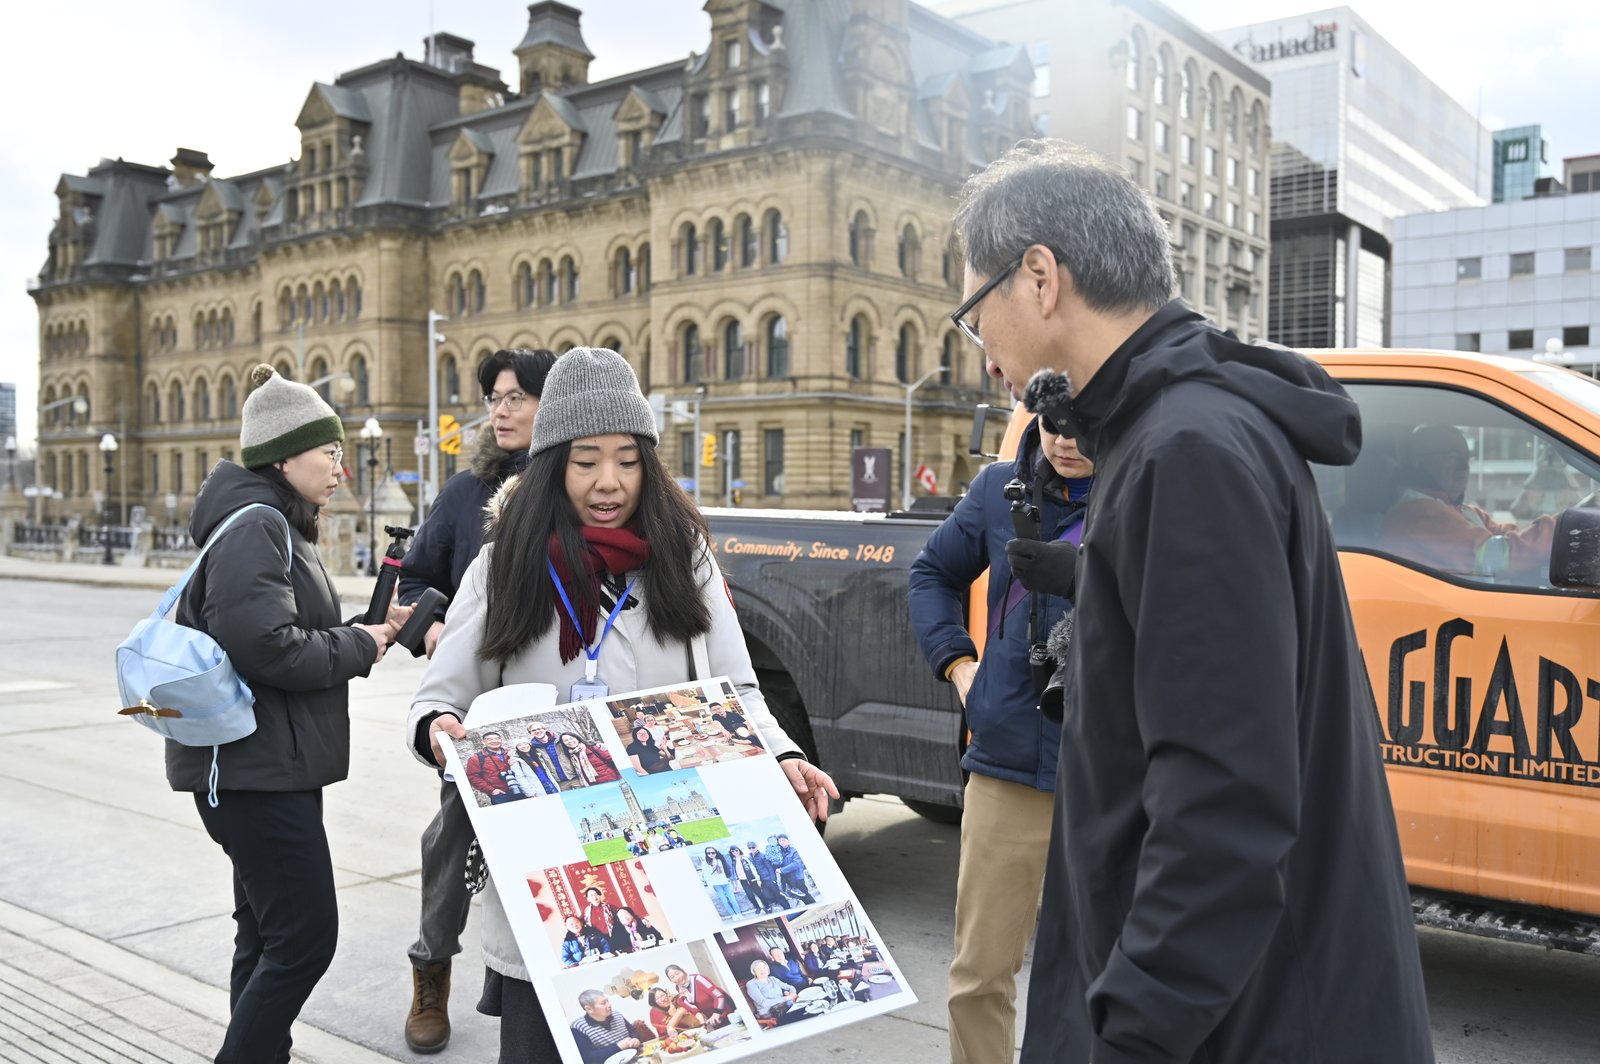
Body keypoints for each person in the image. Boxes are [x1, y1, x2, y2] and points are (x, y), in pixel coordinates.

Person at [949, 140, 1432, 1063]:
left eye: (976, 317)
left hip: (1239, 1025)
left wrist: (1131, 1032)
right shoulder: (1180, 431)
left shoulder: (1188, 452)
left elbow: (1224, 802)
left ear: (1040, 278)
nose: (985, 360)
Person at [406, 348, 838, 1063]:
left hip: (672, 866)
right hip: (549, 876)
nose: (609, 482)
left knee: (660, 1032)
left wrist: (784, 754)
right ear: (553, 466)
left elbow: (736, 692)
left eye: (627, 460)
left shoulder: (685, 559)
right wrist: (442, 730)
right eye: (585, 461)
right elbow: (440, 695)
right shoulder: (504, 563)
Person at [170, 363, 408, 1064]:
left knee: (267, 936)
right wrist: (356, 644)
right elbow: (266, 648)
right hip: (254, 772)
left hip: (261, 767)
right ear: (283, 457)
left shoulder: (269, 523)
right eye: (328, 454)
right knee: (306, 938)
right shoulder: (258, 526)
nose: (341, 470)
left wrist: (368, 634)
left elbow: (285, 636)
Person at [908, 410, 1092, 1064]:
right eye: (1054, 422)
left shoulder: (1152, 491)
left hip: (1114, 773)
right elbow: (931, 573)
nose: (1067, 439)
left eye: (1086, 421)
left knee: (1106, 981)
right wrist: (960, 667)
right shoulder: (995, 489)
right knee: (979, 976)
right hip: (1007, 761)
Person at [399, 347, 557, 1053]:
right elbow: (408, 580)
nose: (501, 410)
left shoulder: (574, 490)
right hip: (477, 716)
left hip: (559, 718)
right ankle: (431, 972)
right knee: (453, 840)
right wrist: (436, 630)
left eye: (517, 396)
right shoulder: (466, 495)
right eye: (495, 397)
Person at [1380, 423, 1557, 580]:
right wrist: (1560, 529)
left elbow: (1507, 538)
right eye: (1451, 457)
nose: (1463, 466)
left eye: (1466, 458)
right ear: (1418, 461)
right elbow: (1498, 558)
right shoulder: (1418, 515)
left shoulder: (1463, 511)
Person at [569, 990, 640, 1064]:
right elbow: (588, 1057)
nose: (609, 1005)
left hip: (634, 1057)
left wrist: (635, 1039)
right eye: (603, 1003)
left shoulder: (616, 1014)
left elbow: (633, 1031)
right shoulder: (578, 1027)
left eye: (607, 1001)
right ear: (589, 1009)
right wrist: (618, 1046)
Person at [665, 963, 736, 1029]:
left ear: (683, 971)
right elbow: (692, 1005)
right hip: (712, 1018)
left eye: (677, 973)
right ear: (671, 980)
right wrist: (702, 1022)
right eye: (672, 977)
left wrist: (716, 1013)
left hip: (726, 1011)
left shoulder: (699, 979)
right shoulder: (679, 988)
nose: (677, 978)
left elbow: (719, 996)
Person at [464, 732, 517, 806]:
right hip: (500, 794)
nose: (494, 741)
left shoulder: (511, 752)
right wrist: (491, 790)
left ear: (501, 740)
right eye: (490, 739)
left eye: (497, 738)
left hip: (519, 788)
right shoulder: (476, 758)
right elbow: (473, 777)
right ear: (484, 742)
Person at [555, 731, 620, 785]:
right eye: (566, 740)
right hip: (593, 785)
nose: (569, 741)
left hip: (611, 780)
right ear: (563, 744)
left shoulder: (594, 747)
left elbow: (615, 762)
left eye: (571, 738)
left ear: (577, 738)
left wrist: (620, 778)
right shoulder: (571, 756)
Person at [728, 845, 776, 914]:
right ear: (731, 852)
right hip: (743, 881)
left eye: (736, 850)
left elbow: (753, 868)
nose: (735, 852)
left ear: (739, 850)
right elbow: (734, 873)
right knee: (750, 896)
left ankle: (767, 906)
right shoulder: (733, 862)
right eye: (733, 851)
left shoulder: (745, 858)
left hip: (752, 879)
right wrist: (735, 884)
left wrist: (757, 879)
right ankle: (757, 907)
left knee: (759, 894)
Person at [772, 835, 816, 905]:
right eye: (780, 841)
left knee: (806, 896)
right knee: (800, 897)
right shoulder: (780, 853)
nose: (782, 842)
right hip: (789, 879)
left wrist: (782, 870)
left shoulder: (794, 851)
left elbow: (797, 864)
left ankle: (815, 907)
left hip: (797, 878)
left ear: (788, 841)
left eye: (783, 840)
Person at [701, 847, 740, 916]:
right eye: (708, 853)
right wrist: (711, 887)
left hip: (725, 883)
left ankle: (739, 914)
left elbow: (724, 871)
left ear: (716, 853)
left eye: (713, 852)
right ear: (706, 854)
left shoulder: (719, 860)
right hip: (716, 885)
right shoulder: (704, 863)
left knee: (733, 900)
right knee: (725, 901)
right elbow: (706, 876)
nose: (711, 854)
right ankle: (733, 915)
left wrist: (727, 880)